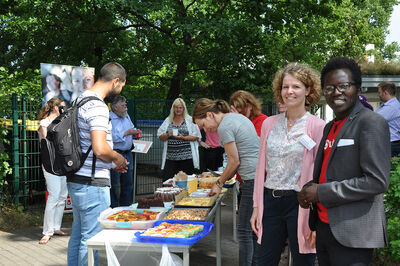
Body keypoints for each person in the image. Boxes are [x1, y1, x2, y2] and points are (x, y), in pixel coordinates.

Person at [298, 57, 391, 266]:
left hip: (352, 232)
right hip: (324, 226)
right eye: (329, 87)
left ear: (357, 89)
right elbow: (330, 171)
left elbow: (377, 181)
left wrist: (320, 192)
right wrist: (309, 190)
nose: (336, 92)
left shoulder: (371, 122)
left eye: (344, 86)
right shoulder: (330, 127)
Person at [250, 62, 325, 265]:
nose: (289, 91)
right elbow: (260, 169)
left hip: (300, 204)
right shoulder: (269, 124)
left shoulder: (318, 127)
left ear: (308, 90)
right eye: (285, 86)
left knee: (303, 261)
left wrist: (318, 219)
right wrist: (257, 207)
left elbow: (321, 174)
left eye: (296, 86)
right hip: (270, 202)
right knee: (263, 261)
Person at [67, 62, 128, 266]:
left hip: (77, 178)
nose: (119, 91)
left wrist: (111, 163)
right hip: (92, 184)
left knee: (78, 236)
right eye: (121, 87)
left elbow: (86, 146)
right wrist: (117, 158)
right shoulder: (98, 106)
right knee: (91, 239)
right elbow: (100, 149)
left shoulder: (79, 100)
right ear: (116, 81)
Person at [192, 98, 259, 266]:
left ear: (210, 115)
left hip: (252, 178)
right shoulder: (236, 117)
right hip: (257, 176)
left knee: (244, 231)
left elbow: (234, 161)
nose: (205, 129)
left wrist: (219, 183)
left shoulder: (225, 126)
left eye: (203, 125)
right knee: (252, 230)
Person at [37, 97, 68, 245]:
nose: (64, 109)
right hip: (50, 164)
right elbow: (47, 143)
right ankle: (47, 232)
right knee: (54, 196)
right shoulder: (44, 123)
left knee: (62, 196)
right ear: (56, 108)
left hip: (62, 164)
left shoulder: (62, 122)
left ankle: (56, 227)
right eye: (62, 107)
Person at [157, 98, 201, 181]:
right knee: (167, 181)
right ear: (173, 108)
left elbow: (196, 136)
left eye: (180, 107)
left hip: (186, 158)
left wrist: (183, 137)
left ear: (184, 109)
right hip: (170, 158)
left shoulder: (189, 120)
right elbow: (160, 136)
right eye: (176, 107)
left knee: (186, 182)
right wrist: (167, 134)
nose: (178, 109)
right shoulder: (168, 120)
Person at [110, 95, 141, 207]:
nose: (126, 108)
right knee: (114, 183)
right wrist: (126, 133)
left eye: (125, 105)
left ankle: (125, 206)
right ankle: (113, 207)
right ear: (115, 108)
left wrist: (135, 132)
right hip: (115, 154)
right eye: (123, 106)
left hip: (128, 153)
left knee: (128, 183)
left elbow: (131, 128)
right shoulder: (109, 118)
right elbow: (110, 137)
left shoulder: (126, 116)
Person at [376, 81, 400, 157]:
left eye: (379, 92)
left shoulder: (391, 107)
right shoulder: (386, 105)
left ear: (385, 92)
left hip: (391, 145)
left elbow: (374, 119)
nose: (378, 95)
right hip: (389, 143)